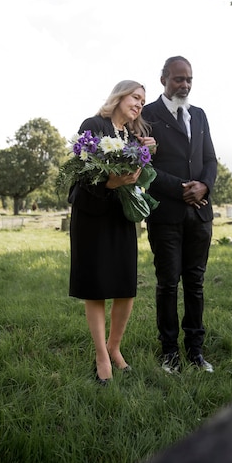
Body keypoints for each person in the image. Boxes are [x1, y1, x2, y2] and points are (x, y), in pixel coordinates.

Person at [68, 80, 156, 385]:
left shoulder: (134, 138)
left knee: (125, 285)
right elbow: (82, 175)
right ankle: (101, 354)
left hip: (120, 217)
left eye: (143, 102)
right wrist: (111, 184)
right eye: (136, 97)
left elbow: (138, 180)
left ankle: (114, 347)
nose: (140, 104)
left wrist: (146, 158)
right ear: (119, 96)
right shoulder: (93, 125)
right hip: (92, 215)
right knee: (96, 287)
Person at [142, 56, 217, 373]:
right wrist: (181, 188)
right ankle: (169, 352)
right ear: (164, 80)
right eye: (177, 79)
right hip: (166, 214)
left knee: (196, 285)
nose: (184, 84)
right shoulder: (147, 115)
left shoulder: (199, 115)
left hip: (200, 215)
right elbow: (143, 166)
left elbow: (211, 160)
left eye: (188, 79)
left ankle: (196, 352)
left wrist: (204, 186)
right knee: (168, 285)